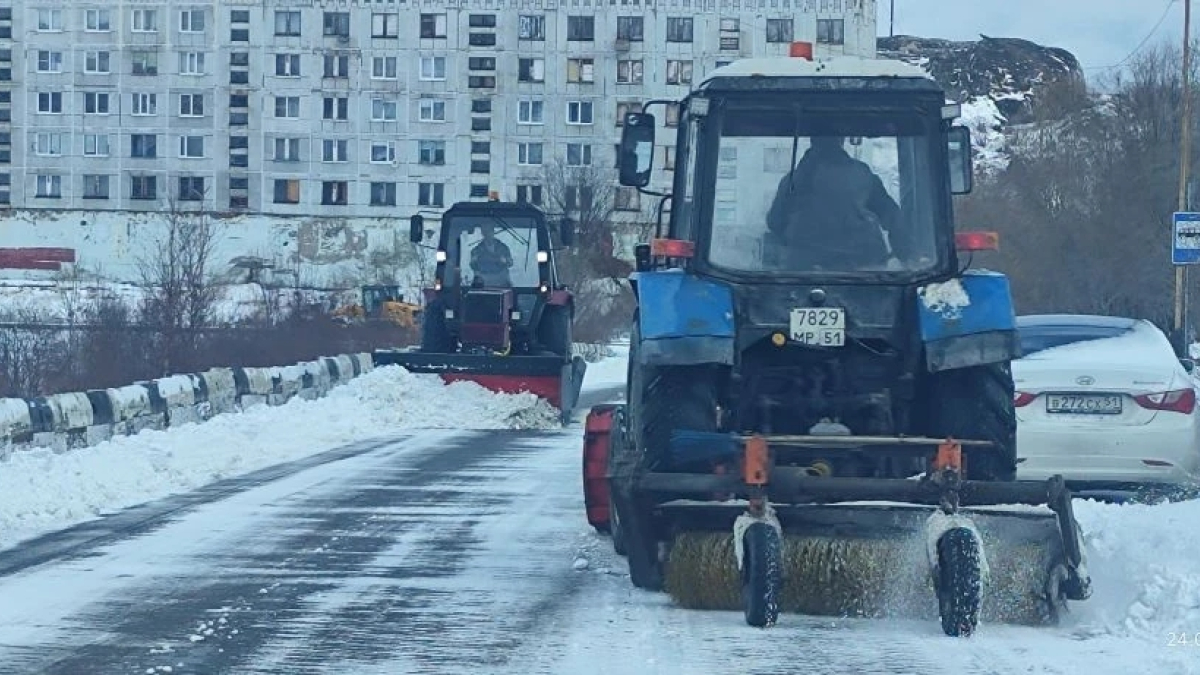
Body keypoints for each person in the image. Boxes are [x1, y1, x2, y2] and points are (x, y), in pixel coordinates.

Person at [765, 136, 908, 270]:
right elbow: (892, 217)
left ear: (812, 140)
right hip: (862, 271)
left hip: (803, 273)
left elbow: (775, 222)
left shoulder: (793, 180)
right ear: (842, 139)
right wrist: (911, 257)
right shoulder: (861, 175)